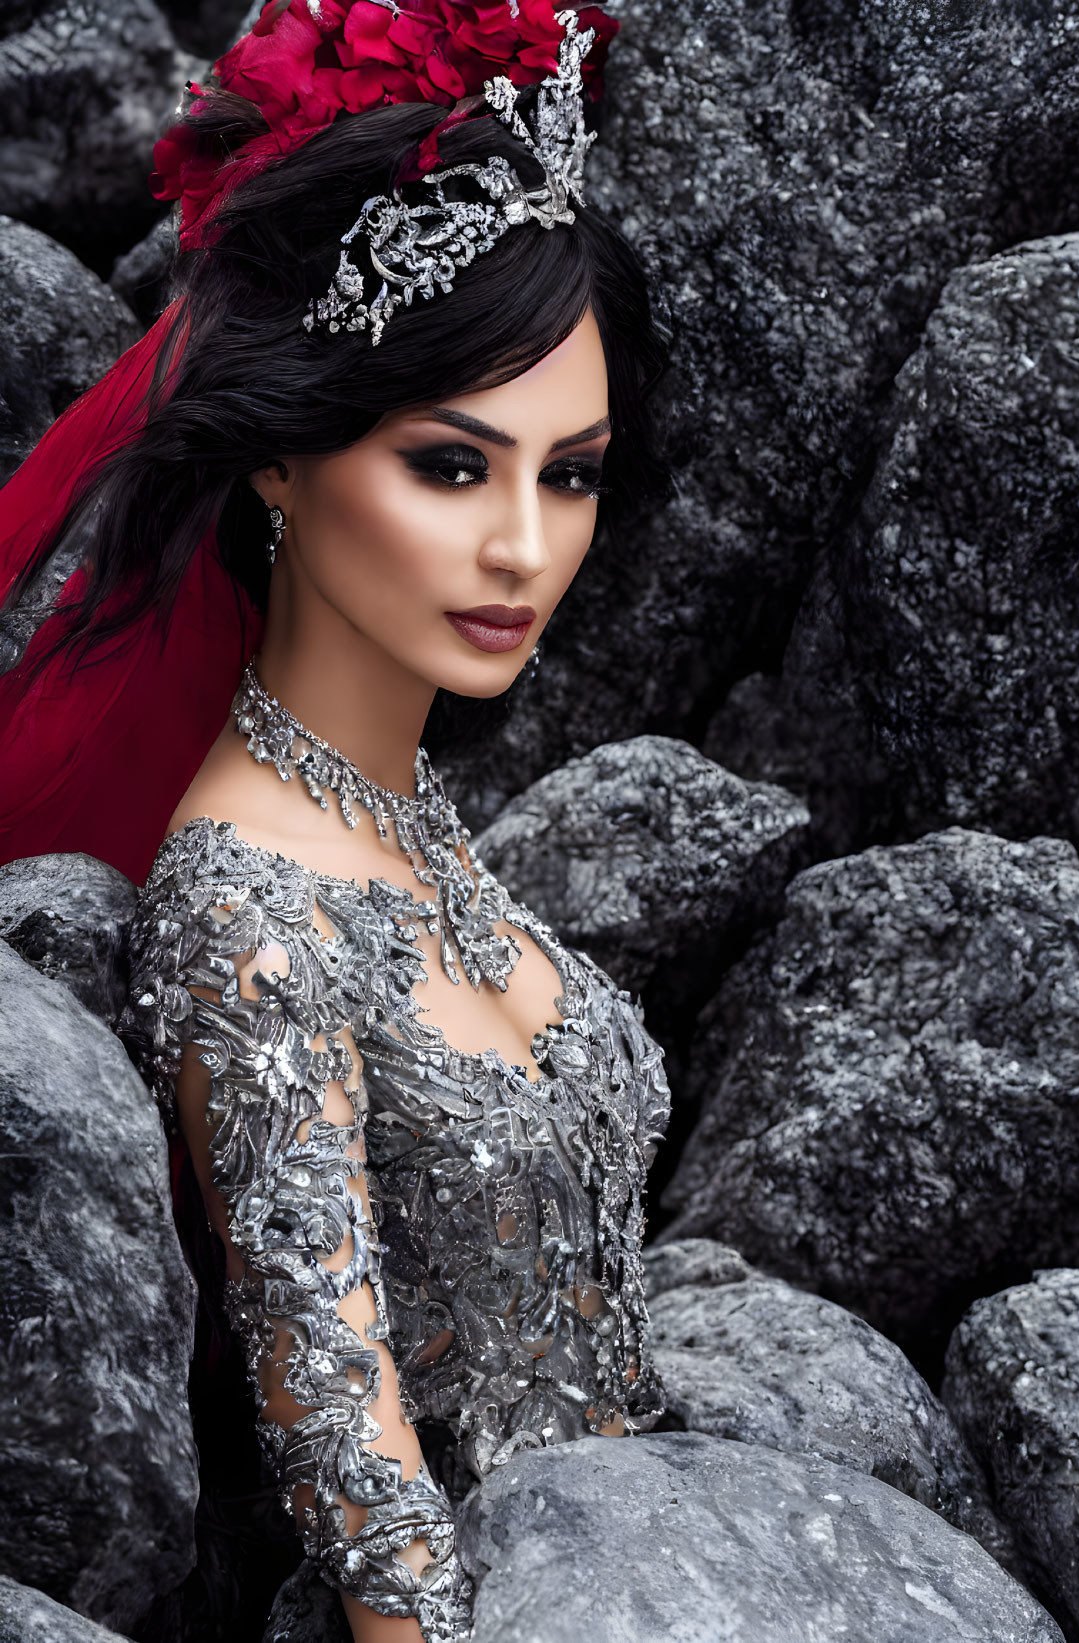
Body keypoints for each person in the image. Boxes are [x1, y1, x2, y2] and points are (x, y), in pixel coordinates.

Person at [0, 4, 674, 1638]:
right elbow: (362, 1488)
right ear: (284, 462)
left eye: (567, 476)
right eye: (452, 468)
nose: (522, 548)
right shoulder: (248, 901)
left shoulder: (406, 816)